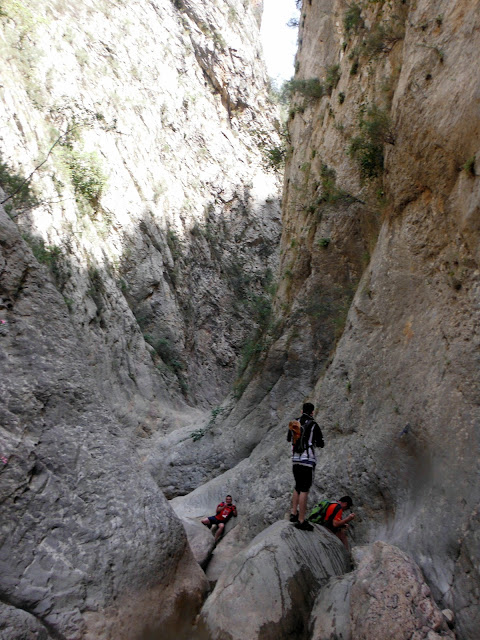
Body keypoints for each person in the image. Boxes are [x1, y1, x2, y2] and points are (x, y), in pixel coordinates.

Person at [287, 402, 324, 531]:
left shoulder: (294, 423)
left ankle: (293, 513)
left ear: (302, 411)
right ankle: (301, 520)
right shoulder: (313, 425)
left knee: (297, 486)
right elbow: (320, 443)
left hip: (295, 460)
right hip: (307, 461)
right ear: (312, 412)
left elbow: (288, 439)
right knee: (304, 489)